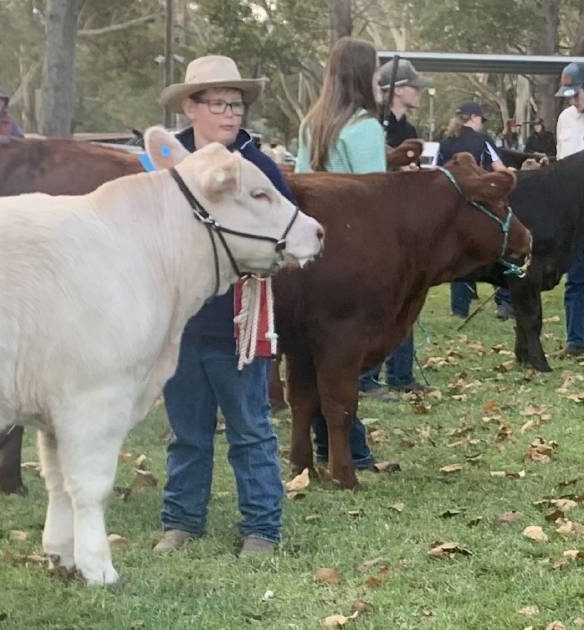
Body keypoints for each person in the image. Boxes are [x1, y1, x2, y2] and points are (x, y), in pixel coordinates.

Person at [151, 55, 291, 558]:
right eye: (220, 104)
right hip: (182, 321)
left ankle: (261, 529)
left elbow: (285, 232)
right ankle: (182, 521)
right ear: (191, 106)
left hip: (238, 318)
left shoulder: (260, 166)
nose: (232, 115)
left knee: (250, 429)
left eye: (238, 105)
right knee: (187, 431)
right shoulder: (162, 164)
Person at [294, 37, 382, 472]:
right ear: (365, 74)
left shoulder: (313, 124)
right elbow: (375, 193)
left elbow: (301, 184)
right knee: (347, 355)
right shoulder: (366, 127)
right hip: (355, 249)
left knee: (313, 351)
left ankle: (323, 443)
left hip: (312, 249)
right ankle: (351, 449)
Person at [361, 58, 431, 398]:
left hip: (405, 222)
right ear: (397, 90)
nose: (418, 92)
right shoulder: (373, 125)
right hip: (376, 224)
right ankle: (367, 379)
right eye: (414, 86)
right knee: (377, 303)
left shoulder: (411, 132)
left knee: (408, 296)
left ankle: (401, 375)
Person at [439, 101, 509, 318]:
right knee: (500, 250)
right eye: (480, 119)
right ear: (474, 118)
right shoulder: (482, 140)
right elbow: (500, 169)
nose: (481, 124)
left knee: (460, 254)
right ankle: (504, 302)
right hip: (482, 203)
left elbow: (438, 171)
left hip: (455, 205)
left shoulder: (446, 142)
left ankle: (459, 308)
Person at [553, 62, 584, 357]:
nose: (573, 100)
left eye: (577, 93)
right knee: (576, 276)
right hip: (573, 211)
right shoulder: (565, 119)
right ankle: (576, 339)